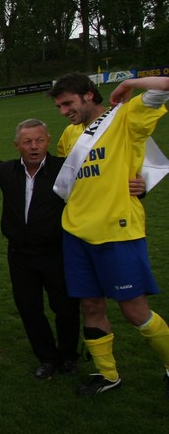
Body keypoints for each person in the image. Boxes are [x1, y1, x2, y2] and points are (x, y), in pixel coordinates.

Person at [51, 74, 169, 395]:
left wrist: (129, 83)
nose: (63, 111)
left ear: (89, 95)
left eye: (68, 103)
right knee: (91, 306)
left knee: (134, 311)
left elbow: (164, 85)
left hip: (118, 232)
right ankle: (107, 374)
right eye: (59, 106)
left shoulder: (126, 116)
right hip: (76, 234)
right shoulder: (69, 135)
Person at [0, 119, 80, 378]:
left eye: (39, 140)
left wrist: (139, 187)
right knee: (29, 309)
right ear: (16, 145)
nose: (34, 146)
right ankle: (47, 358)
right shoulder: (6, 170)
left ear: (48, 141)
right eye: (28, 142)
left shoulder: (64, 169)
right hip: (19, 255)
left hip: (56, 252)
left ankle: (68, 356)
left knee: (65, 307)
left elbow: (103, 182)